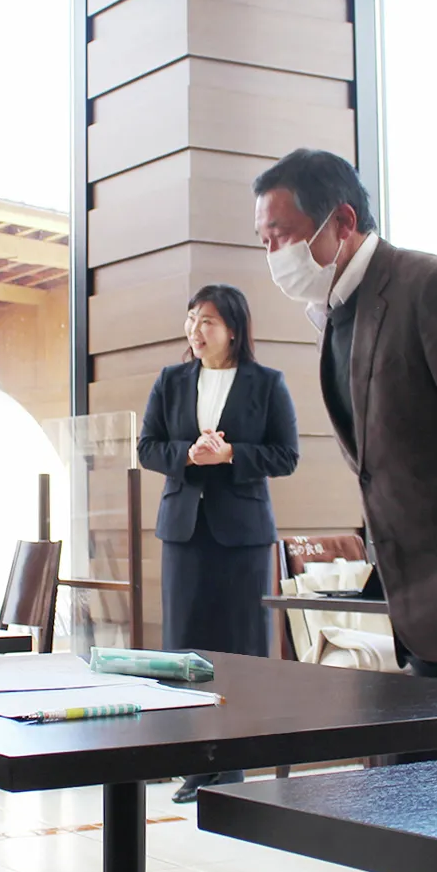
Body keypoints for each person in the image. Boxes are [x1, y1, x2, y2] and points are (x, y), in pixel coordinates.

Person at [254, 146, 437, 872]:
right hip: (423, 607)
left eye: (281, 233)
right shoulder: (337, 320)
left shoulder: (432, 288)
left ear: (339, 222)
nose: (272, 253)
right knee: (435, 803)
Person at [139, 284, 299, 804]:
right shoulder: (171, 380)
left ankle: (232, 766)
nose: (196, 330)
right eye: (191, 319)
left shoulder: (267, 383)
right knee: (186, 647)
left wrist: (231, 454)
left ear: (233, 328)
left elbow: (285, 455)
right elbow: (148, 447)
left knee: (241, 648)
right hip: (185, 530)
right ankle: (192, 760)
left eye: (207, 321)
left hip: (244, 537)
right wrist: (188, 454)